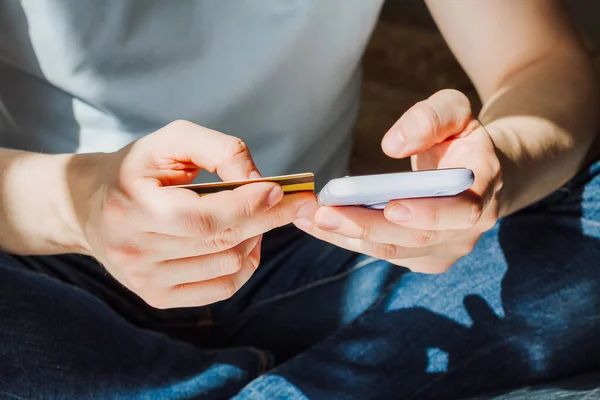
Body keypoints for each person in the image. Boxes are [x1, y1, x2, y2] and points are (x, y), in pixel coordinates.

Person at [1, 0, 599, 398]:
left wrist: (497, 169)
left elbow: (541, 63)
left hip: (315, 244)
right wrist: (76, 207)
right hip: (52, 267)